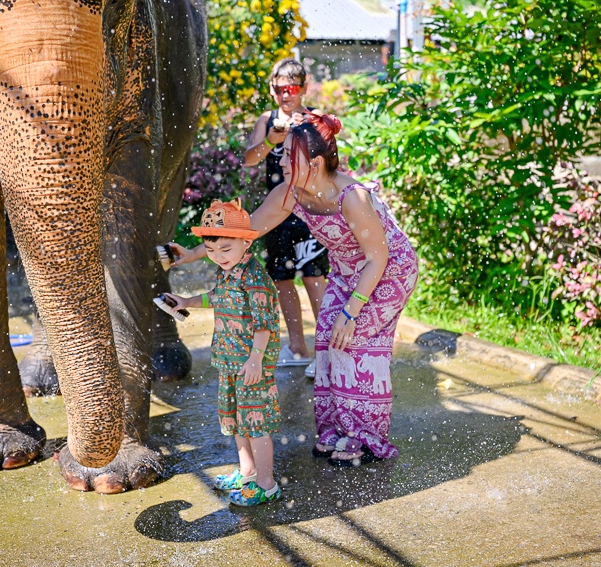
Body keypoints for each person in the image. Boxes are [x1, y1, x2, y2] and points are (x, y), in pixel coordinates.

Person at [170, 113, 418, 467]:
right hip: (349, 272)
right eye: (282, 153)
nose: (281, 160)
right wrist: (191, 255)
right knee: (327, 343)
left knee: (354, 342)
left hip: (390, 271)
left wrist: (351, 313)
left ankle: (366, 438)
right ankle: (337, 429)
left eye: (288, 155)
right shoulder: (290, 193)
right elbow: (246, 231)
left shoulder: (353, 198)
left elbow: (378, 259)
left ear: (315, 164)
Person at [163, 198, 283, 506]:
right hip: (230, 360)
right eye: (212, 251)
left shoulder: (254, 277)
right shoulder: (226, 272)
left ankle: (266, 483)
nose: (219, 257)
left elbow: (264, 323)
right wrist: (188, 302)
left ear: (245, 242)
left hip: (250, 363)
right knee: (237, 421)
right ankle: (247, 472)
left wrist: (256, 358)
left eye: (226, 250)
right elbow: (218, 297)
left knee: (256, 424)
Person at [244, 58, 328, 378]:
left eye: (291, 89)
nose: (285, 95)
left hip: (308, 212)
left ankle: (325, 354)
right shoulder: (267, 120)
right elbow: (250, 160)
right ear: (272, 90)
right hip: (277, 212)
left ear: (304, 88)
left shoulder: (314, 120)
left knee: (313, 277)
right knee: (281, 278)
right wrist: (271, 141)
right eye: (279, 89)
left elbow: (328, 164)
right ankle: (297, 347)